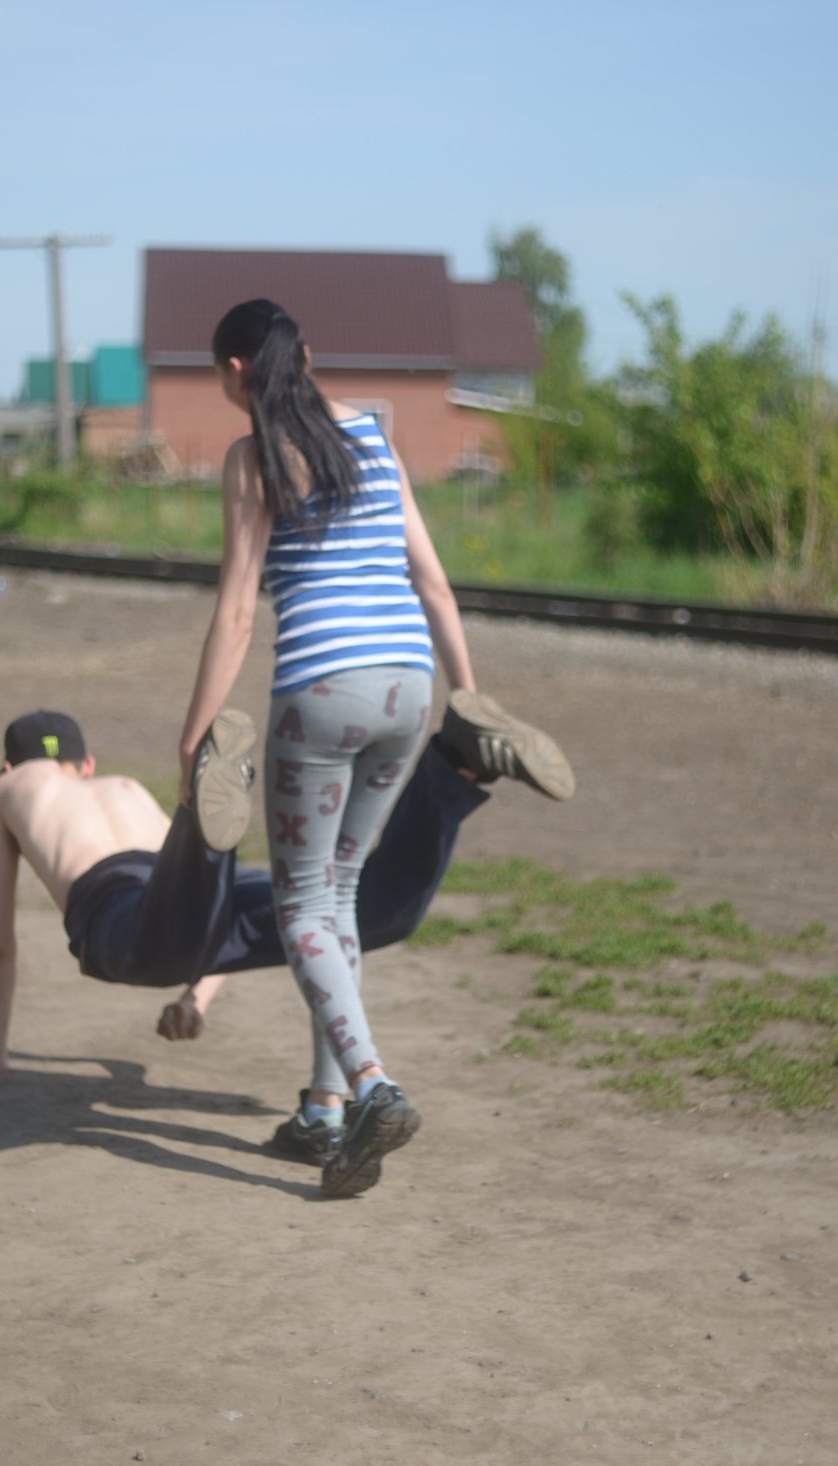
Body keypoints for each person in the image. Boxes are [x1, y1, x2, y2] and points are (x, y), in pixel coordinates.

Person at [175, 298, 573, 1197]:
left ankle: (371, 1087)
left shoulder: (252, 459)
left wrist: (195, 732)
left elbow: (239, 613)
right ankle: (321, 1109)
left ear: (234, 373)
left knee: (301, 904)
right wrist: (467, 701)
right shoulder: (373, 438)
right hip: (408, 685)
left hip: (321, 694)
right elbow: (431, 579)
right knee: (340, 896)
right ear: (306, 356)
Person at [0, 701, 570, 1172]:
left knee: (161, 939)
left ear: (7, 764)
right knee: (370, 911)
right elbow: (205, 917)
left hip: (120, 910)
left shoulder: (5, 790)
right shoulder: (121, 787)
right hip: (185, 882)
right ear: (88, 764)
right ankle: (453, 764)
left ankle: (210, 814)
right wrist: (198, 997)